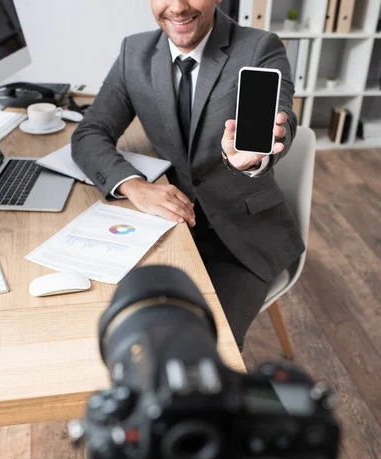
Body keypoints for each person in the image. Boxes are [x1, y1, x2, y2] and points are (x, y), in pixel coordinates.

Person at [71, 0, 305, 351]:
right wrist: (134, 186)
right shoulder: (134, 52)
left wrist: (255, 155)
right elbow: (89, 132)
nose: (178, 7)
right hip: (170, 229)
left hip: (242, 243)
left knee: (205, 352)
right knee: (115, 332)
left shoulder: (259, 46)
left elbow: (281, 114)